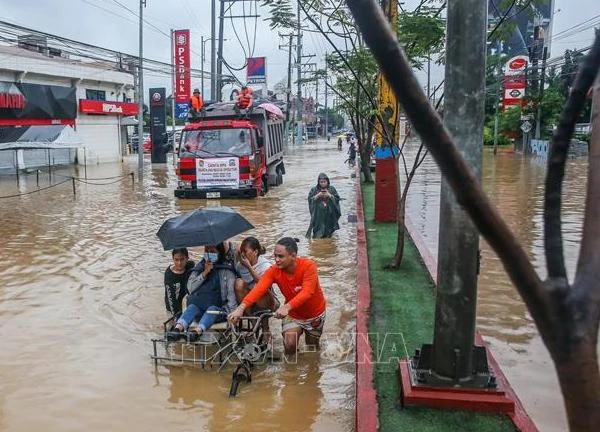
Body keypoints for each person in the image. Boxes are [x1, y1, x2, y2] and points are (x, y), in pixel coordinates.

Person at [228, 237, 327, 356]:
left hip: (314, 314)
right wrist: (241, 308)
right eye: (275, 256)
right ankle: (291, 372)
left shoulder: (309, 266)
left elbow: (307, 292)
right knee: (289, 346)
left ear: (293, 256)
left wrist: (287, 307)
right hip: (293, 314)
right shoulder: (274, 270)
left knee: (312, 349)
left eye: (281, 256)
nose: (276, 260)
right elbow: (259, 288)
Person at [166, 242, 237, 341]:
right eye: (206, 251)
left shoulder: (226, 272)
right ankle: (177, 330)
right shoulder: (199, 268)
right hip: (199, 307)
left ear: (219, 253)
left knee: (212, 310)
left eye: (212, 252)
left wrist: (232, 314)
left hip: (218, 310)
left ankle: (196, 332)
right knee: (191, 307)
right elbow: (190, 288)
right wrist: (204, 273)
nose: (208, 254)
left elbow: (231, 298)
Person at [234, 236, 279, 312]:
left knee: (257, 287)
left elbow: (263, 284)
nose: (243, 255)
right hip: (248, 301)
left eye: (245, 252)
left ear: (255, 252)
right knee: (238, 282)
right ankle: (250, 317)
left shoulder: (266, 266)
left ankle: (264, 317)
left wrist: (249, 267)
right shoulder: (240, 266)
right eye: (241, 252)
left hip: (266, 301)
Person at [306, 173, 341, 239]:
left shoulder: (332, 189)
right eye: (321, 182)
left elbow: (337, 199)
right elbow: (310, 200)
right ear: (318, 182)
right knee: (317, 234)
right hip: (318, 216)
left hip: (329, 215)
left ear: (327, 182)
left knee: (329, 233)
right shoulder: (314, 190)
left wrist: (330, 195)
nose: (323, 183)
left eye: (324, 182)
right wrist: (317, 196)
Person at [164, 248, 195, 318]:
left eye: (182, 259)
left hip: (186, 303)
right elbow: (171, 297)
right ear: (173, 259)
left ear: (187, 258)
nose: (179, 263)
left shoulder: (190, 266)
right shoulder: (169, 275)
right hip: (173, 307)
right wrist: (175, 315)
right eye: (176, 260)